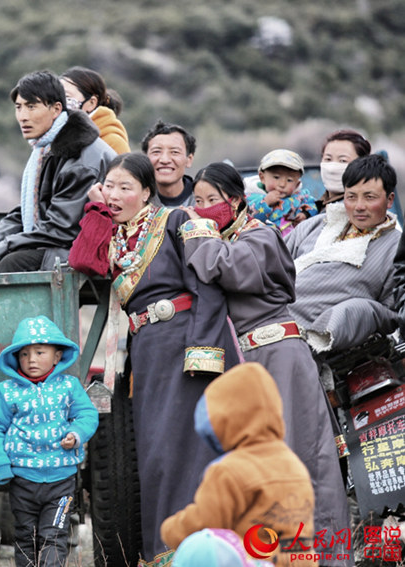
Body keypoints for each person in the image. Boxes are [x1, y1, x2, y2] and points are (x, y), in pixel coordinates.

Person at [68, 152, 241, 565]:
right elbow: (81, 260)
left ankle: (209, 552)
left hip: (186, 346)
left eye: (125, 187)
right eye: (109, 186)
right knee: (157, 456)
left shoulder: (176, 221)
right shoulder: (116, 238)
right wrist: (96, 207)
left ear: (147, 192)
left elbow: (207, 287)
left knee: (191, 451)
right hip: (147, 350)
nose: (115, 194)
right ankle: (167, 552)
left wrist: (203, 352)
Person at [178, 162, 350, 565]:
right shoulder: (232, 236)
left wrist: (194, 231)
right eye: (197, 202)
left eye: (212, 201)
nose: (203, 209)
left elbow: (226, 267)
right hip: (256, 361)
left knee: (300, 460)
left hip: (280, 357)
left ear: (236, 200)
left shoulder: (260, 235)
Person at [0, 70, 115, 274]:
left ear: (56, 109)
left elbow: (61, 228)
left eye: (32, 107)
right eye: (18, 107)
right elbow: (27, 211)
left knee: (9, 263)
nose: (23, 117)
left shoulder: (79, 157)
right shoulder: (46, 148)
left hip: (89, 249)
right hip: (62, 242)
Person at [160, 363, 315, 567]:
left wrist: (170, 529)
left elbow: (205, 525)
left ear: (227, 417)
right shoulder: (294, 464)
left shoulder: (229, 470)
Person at [0, 315, 98, 567]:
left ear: (57, 356)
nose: (31, 359)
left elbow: (87, 414)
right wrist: (0, 465)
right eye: (24, 354)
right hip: (23, 480)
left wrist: (77, 434)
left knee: (55, 535)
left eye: (40, 352)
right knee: (25, 537)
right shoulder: (7, 391)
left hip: (62, 481)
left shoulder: (69, 386)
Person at [285, 153, 400, 354]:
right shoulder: (315, 225)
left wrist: (356, 312)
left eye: (369, 197)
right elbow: (273, 264)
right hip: (265, 311)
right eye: (351, 197)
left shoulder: (396, 248)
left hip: (304, 338)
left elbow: (391, 314)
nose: (359, 207)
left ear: (389, 200)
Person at [246, 149, 317, 236]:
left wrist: (304, 213)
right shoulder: (250, 197)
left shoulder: (300, 196)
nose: (282, 184)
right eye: (276, 177)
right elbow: (248, 218)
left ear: (297, 184)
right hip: (263, 241)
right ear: (262, 178)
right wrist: (265, 202)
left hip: (291, 241)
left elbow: (313, 205)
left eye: (289, 180)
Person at [60, 66, 130, 154]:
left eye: (67, 97)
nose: (59, 104)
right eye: (57, 96)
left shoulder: (112, 142)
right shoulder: (60, 136)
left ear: (91, 103)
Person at [141, 120, 197, 208]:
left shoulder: (205, 201)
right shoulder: (136, 201)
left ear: (189, 159)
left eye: (174, 152)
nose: (165, 160)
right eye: (156, 152)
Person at [316, 129, 371, 212]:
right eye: (328, 159)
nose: (332, 169)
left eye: (343, 160)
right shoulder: (311, 206)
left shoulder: (361, 212)